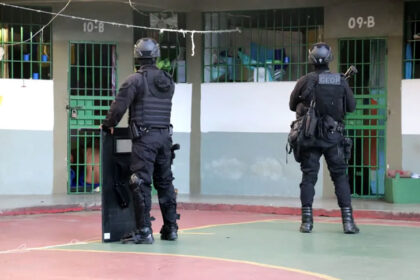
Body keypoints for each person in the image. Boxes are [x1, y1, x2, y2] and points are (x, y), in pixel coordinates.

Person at [101, 38, 178, 244]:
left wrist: (108, 123)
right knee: (165, 183)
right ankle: (171, 228)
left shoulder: (134, 80)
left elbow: (119, 107)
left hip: (144, 139)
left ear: (137, 56)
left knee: (140, 182)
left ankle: (144, 230)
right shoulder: (168, 81)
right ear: (156, 56)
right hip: (165, 138)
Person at [289, 42, 359, 234]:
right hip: (333, 137)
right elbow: (352, 107)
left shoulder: (304, 80)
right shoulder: (340, 80)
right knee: (340, 177)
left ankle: (307, 223)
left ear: (311, 60)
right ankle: (348, 223)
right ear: (330, 59)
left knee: (309, 177)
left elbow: (291, 104)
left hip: (309, 137)